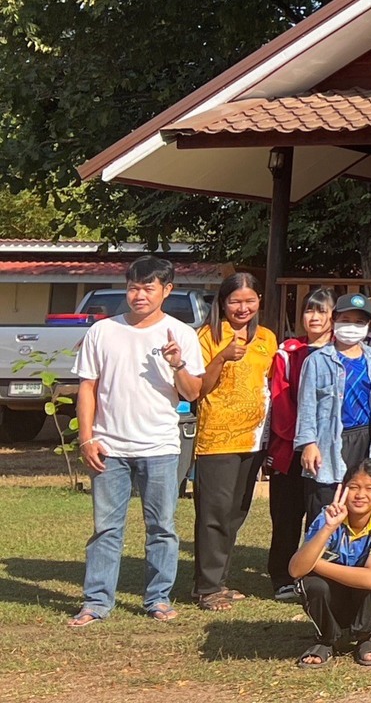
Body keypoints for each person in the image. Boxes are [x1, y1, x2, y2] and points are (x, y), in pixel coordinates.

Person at [69, 256, 205, 627]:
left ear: (167, 290)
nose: (139, 295)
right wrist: (86, 438)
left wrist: (177, 364)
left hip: (160, 447)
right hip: (108, 447)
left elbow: (193, 392)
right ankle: (96, 601)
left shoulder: (181, 334)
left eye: (148, 288)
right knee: (106, 529)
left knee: (162, 528)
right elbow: (87, 388)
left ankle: (158, 598)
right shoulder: (103, 331)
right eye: (133, 287)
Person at [191, 271, 278, 610]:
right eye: (235, 301)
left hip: (254, 438)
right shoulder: (207, 336)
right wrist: (222, 357)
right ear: (223, 303)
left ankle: (219, 580)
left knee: (236, 512)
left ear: (259, 301)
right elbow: (199, 388)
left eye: (249, 300)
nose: (243, 308)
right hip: (218, 438)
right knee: (214, 512)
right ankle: (207, 587)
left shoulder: (266, 338)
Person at [288, 459, 371, 667]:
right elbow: (296, 570)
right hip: (336, 598)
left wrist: (316, 564)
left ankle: (366, 636)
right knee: (310, 582)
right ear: (342, 488)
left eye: (370, 488)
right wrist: (329, 528)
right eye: (353, 487)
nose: (360, 495)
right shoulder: (329, 514)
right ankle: (326, 639)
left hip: (368, 597)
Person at [296, 294, 371, 510]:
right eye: (346, 320)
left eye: (359, 322)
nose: (352, 326)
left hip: (367, 437)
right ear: (334, 320)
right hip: (329, 439)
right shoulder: (317, 360)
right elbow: (307, 406)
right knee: (325, 502)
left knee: (362, 499)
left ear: (367, 325)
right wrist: (309, 444)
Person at [267, 288, 334, 601]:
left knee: (322, 514)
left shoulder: (343, 351)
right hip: (291, 447)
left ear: (333, 316)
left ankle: (317, 573)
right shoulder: (288, 352)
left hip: (332, 448)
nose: (315, 317)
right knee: (287, 514)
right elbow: (281, 402)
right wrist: (306, 438)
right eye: (309, 310)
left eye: (322, 311)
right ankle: (282, 576)